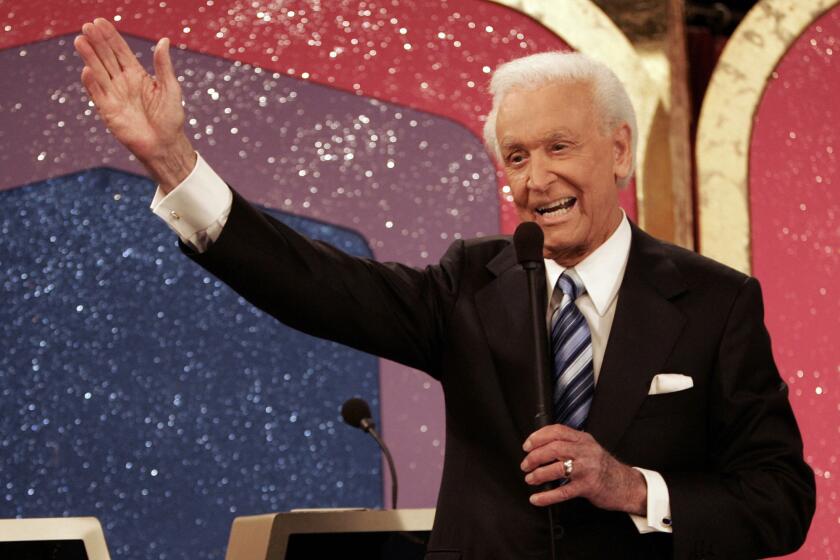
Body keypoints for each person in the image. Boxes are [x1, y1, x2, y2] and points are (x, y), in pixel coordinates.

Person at [74, 17, 815, 559]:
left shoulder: (717, 303)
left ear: (619, 149)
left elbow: (781, 501)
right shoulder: (472, 283)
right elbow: (313, 284)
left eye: (559, 147)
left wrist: (633, 488)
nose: (536, 179)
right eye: (517, 156)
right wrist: (175, 161)